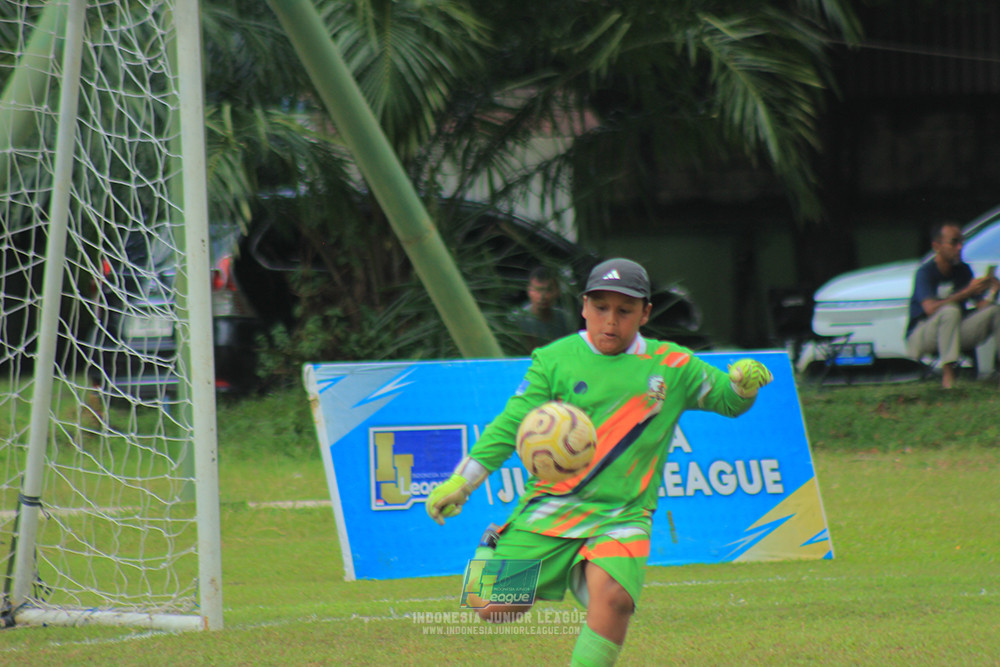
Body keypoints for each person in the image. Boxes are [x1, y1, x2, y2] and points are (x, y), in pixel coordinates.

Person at [427, 258, 773, 667]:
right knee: (491, 606)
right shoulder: (554, 359)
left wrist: (743, 386)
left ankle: (588, 570)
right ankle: (494, 541)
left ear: (645, 313)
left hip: (622, 513)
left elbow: (728, 401)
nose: (610, 321)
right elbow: (510, 425)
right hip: (551, 508)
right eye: (601, 307)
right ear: (584, 307)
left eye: (624, 311)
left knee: (615, 598)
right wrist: (462, 482)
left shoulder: (673, 365)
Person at [905, 221, 1000, 388]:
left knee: (995, 311)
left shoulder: (963, 270)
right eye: (954, 242)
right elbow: (929, 308)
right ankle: (948, 377)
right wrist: (965, 293)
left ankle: (996, 370)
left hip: (953, 332)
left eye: (961, 242)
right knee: (950, 310)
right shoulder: (925, 272)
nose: (959, 247)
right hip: (923, 335)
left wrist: (993, 291)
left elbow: (982, 307)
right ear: (937, 246)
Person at [508, 266, 576, 353]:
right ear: (529, 291)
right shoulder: (518, 320)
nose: (542, 296)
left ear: (557, 291)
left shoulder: (564, 319)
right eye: (538, 290)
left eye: (549, 290)